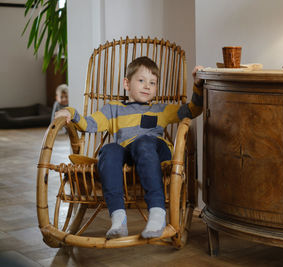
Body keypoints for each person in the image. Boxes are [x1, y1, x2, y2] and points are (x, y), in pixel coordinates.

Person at [55, 56, 204, 239]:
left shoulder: (160, 109)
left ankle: (157, 213)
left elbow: (193, 110)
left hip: (155, 151)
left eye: (153, 82)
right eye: (141, 81)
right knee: (109, 150)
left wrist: (198, 85)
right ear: (127, 83)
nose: (147, 86)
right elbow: (88, 124)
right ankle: (118, 218)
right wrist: (69, 112)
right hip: (128, 153)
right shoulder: (113, 109)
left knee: (143, 142)